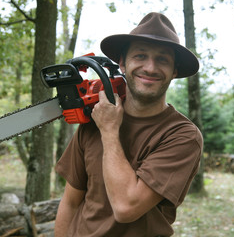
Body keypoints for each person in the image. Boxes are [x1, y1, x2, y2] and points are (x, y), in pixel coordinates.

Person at [54, 12, 203, 237]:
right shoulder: (97, 116)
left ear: (174, 71)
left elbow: (126, 208)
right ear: (122, 64)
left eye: (162, 59)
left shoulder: (182, 135)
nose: (150, 68)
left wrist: (110, 130)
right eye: (140, 56)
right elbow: (71, 202)